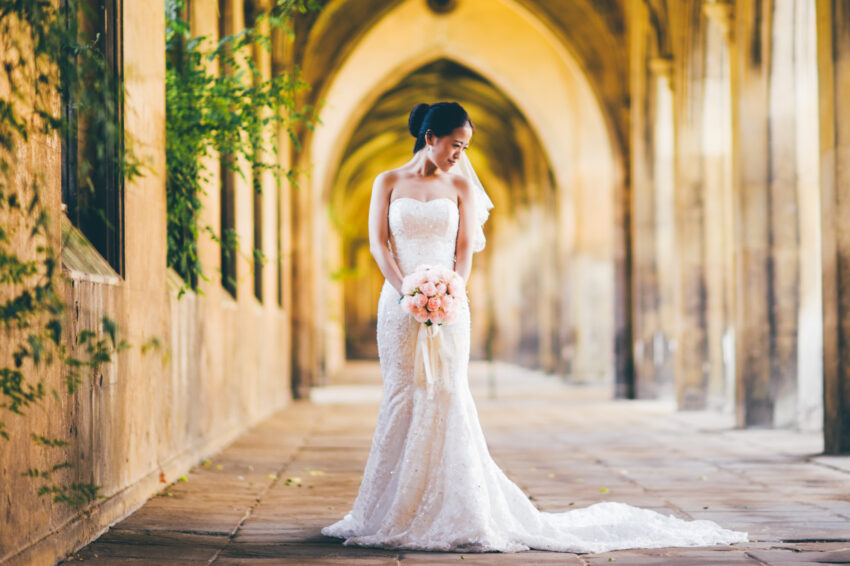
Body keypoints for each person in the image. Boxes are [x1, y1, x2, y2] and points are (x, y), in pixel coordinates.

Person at [321, 101, 748, 553]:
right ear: (430, 138)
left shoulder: (462, 186)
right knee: (403, 394)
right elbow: (378, 243)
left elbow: (464, 251)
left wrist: (449, 293)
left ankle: (457, 508)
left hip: (448, 303)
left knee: (446, 393)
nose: (458, 154)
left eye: (464, 147)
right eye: (454, 145)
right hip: (398, 303)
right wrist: (408, 290)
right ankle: (385, 509)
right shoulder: (386, 182)